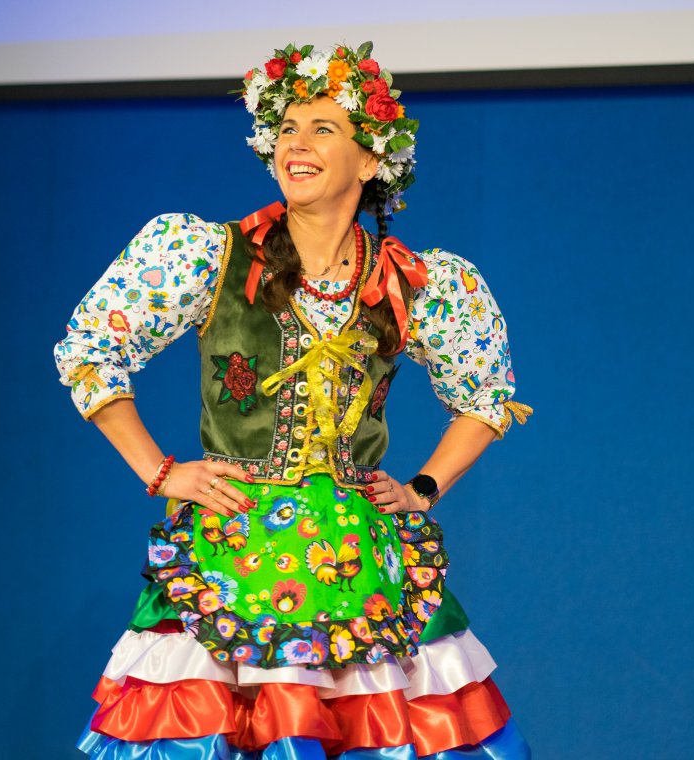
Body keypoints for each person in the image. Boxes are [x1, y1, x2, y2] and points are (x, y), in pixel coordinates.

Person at [55, 41, 534, 760]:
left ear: (370, 161)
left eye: (322, 129)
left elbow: (487, 392)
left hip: (361, 567)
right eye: (286, 129)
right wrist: (160, 471)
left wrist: (425, 488)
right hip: (231, 557)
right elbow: (90, 350)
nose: (296, 144)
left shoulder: (411, 282)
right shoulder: (210, 256)